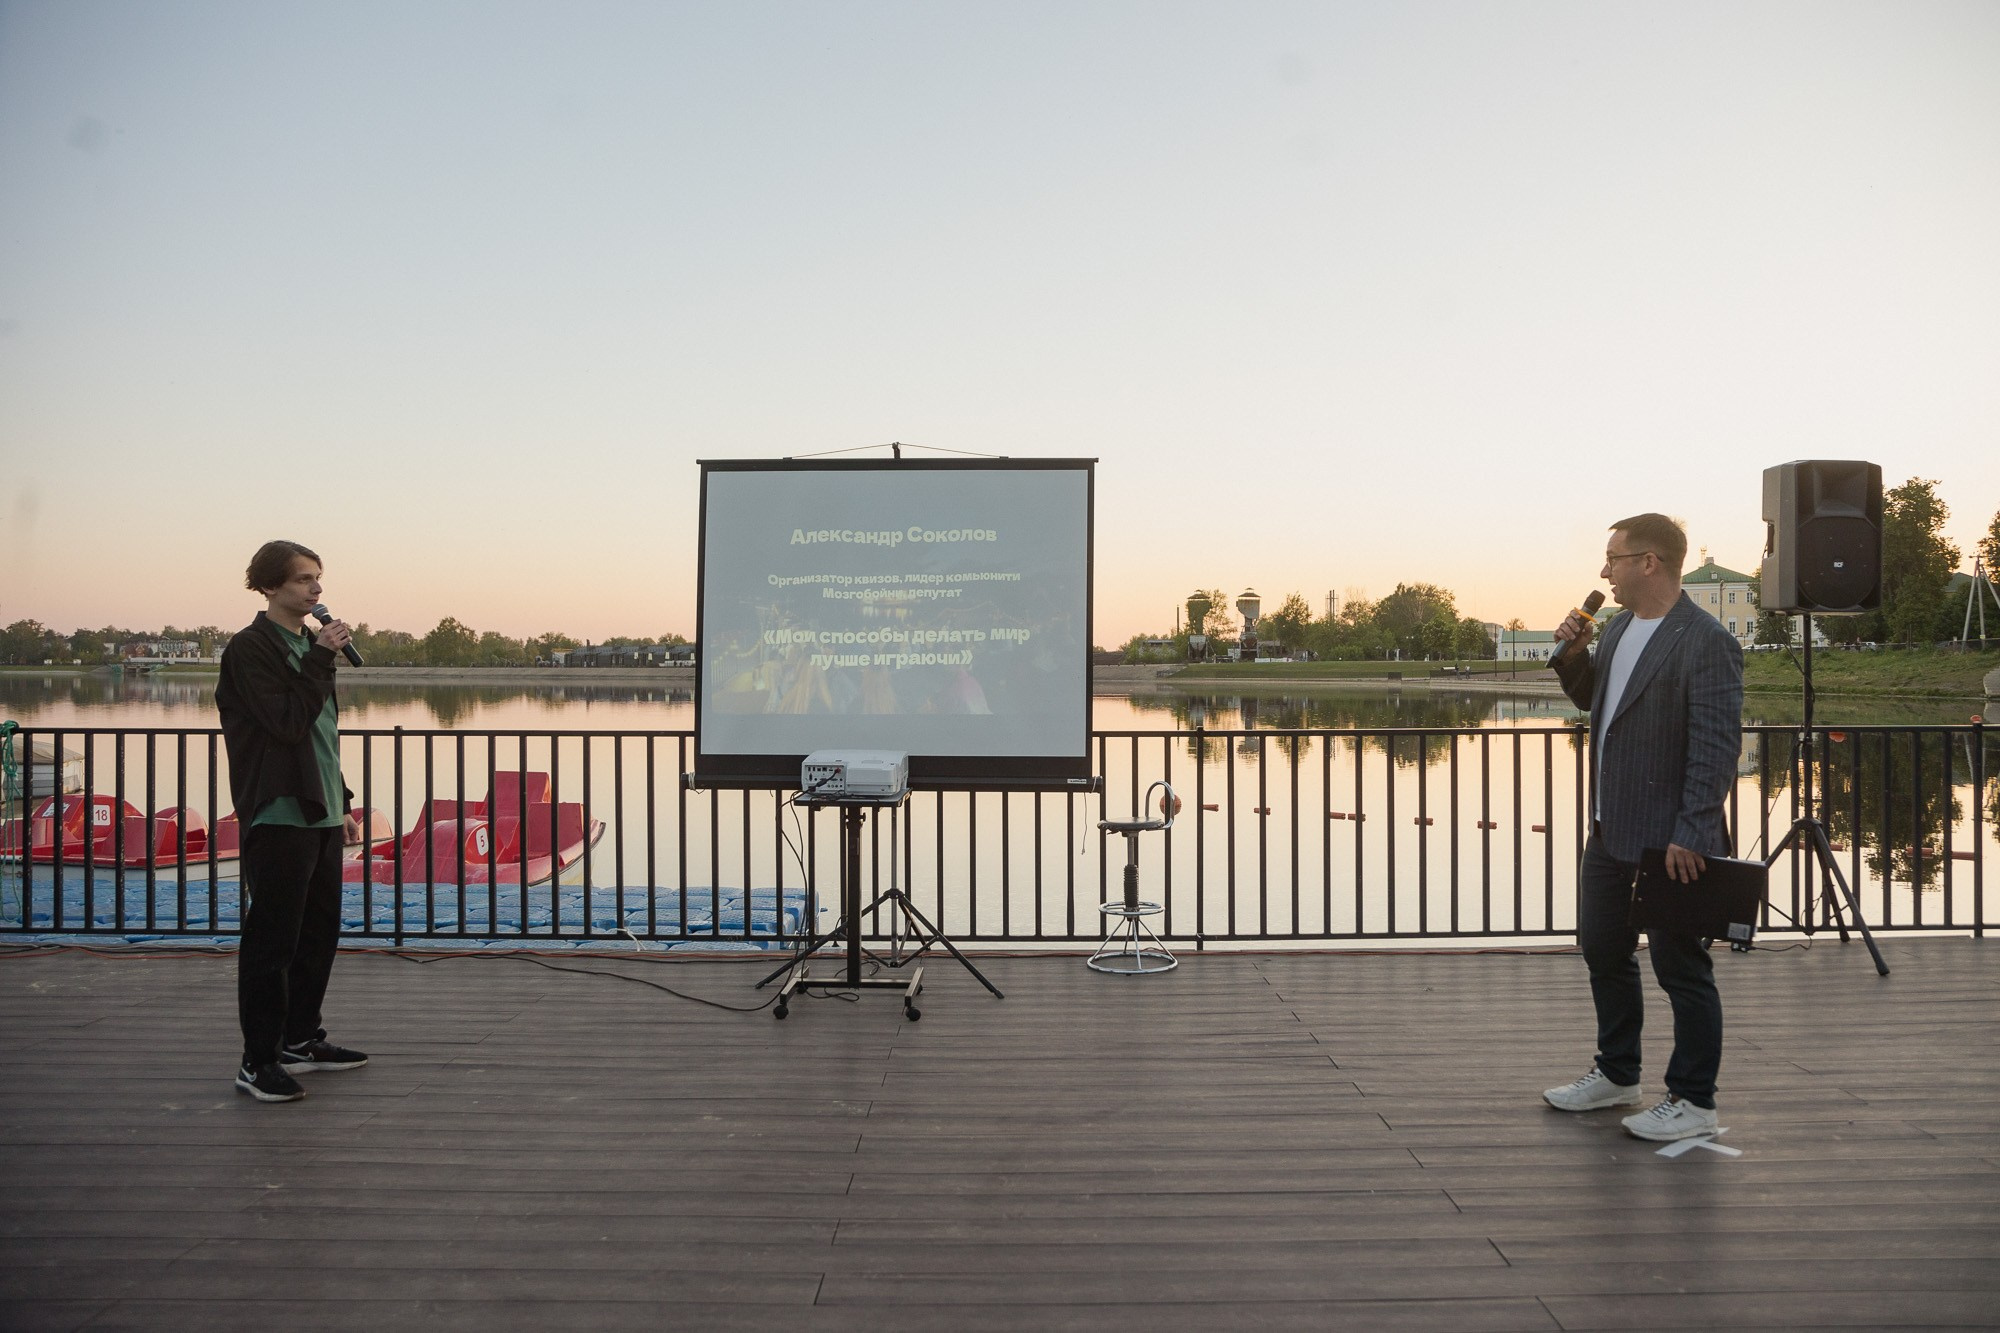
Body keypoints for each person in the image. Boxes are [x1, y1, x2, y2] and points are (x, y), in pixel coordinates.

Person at [1541, 513, 1744, 1141]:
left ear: (1649, 562)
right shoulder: (1623, 626)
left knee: (1680, 967)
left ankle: (1693, 1100)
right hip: (1609, 830)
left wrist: (1693, 830)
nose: (1605, 572)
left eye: (1614, 559)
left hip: (1671, 840)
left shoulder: (1705, 641)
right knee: (1603, 951)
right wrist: (1573, 658)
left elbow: (1716, 746)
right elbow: (1594, 701)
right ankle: (1617, 1074)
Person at [217, 540, 368, 1102]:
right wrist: (321, 659)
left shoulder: (308, 644)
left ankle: (300, 1039)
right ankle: (257, 1060)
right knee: (272, 942)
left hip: (322, 809)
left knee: (318, 933)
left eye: (319, 580)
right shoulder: (251, 649)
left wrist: (344, 801)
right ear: (271, 586)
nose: (317, 590)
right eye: (305, 580)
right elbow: (283, 723)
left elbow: (319, 734)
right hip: (280, 811)